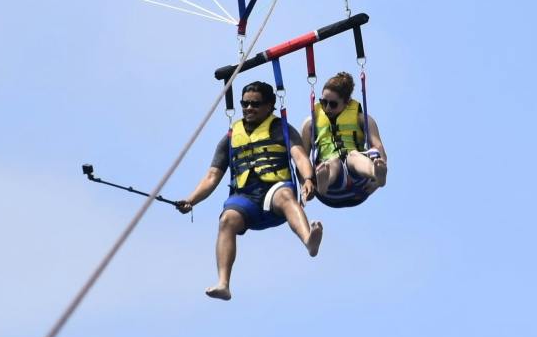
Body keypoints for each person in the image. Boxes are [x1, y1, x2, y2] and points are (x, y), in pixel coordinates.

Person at [166, 81, 319, 300]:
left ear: (269, 106)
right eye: (244, 104)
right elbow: (212, 176)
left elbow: (300, 156)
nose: (248, 108)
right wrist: (191, 200)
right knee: (227, 219)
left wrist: (308, 179)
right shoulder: (230, 137)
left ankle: (309, 240)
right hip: (245, 198)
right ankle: (223, 284)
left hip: (274, 192)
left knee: (286, 196)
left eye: (255, 104)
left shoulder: (281, 128)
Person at [300, 71, 388, 207]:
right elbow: (301, 159)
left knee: (353, 155)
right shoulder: (310, 123)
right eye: (323, 102)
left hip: (361, 185)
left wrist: (376, 183)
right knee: (333, 162)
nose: (327, 108)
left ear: (346, 103)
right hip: (330, 190)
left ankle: (375, 172)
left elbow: (379, 147)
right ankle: (324, 181)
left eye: (333, 104)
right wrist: (306, 182)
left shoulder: (363, 119)